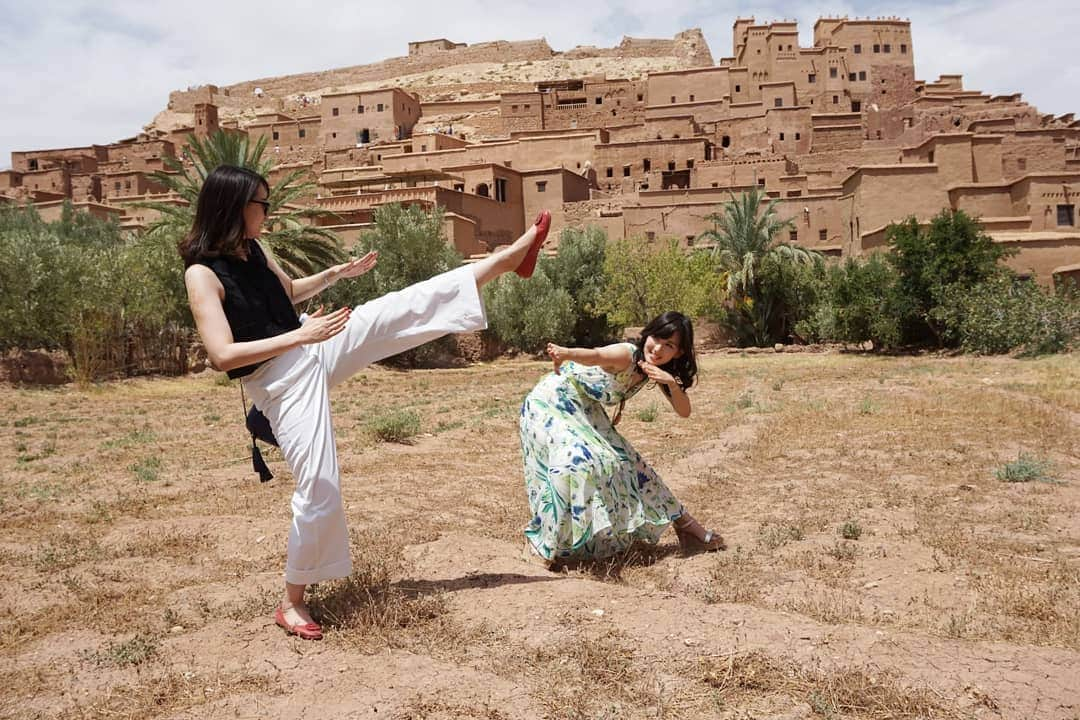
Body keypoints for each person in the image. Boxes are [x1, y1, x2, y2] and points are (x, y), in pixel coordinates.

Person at [181, 165, 552, 639]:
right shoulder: (202, 275)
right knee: (319, 483)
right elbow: (221, 355)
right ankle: (292, 601)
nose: (268, 214)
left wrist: (336, 274)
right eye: (262, 204)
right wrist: (301, 334)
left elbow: (288, 292)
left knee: (394, 310)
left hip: (307, 343)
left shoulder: (255, 249)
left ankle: (506, 260)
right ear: (234, 206)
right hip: (279, 380)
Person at [519, 311, 724, 566]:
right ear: (648, 334)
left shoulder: (653, 369)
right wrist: (566, 352)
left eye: (669, 345)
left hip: (586, 409)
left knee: (633, 465)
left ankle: (688, 529)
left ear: (679, 353)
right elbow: (596, 355)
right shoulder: (627, 353)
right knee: (576, 462)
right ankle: (541, 544)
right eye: (657, 338)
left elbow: (684, 411)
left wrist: (671, 383)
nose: (658, 348)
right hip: (553, 401)